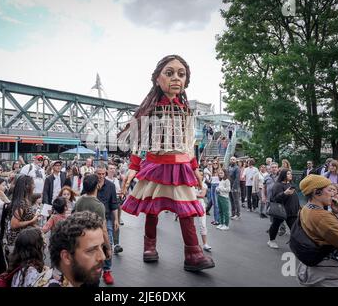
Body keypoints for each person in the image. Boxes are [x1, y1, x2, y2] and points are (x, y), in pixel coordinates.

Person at [120, 55, 214, 272]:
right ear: (157, 79)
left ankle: (193, 253)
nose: (176, 79)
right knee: (152, 209)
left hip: (180, 167)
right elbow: (138, 140)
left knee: (186, 211)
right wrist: (134, 167)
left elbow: (188, 145)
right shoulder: (151, 110)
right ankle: (150, 247)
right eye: (169, 73)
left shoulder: (186, 112)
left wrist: (195, 169)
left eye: (181, 74)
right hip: (156, 164)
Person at [296, 175, 338, 287]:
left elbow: (334, 232)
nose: (333, 194)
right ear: (316, 192)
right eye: (329, 190)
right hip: (326, 272)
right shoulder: (321, 216)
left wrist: (336, 213)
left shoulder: (306, 208)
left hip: (317, 265)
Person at [32, 211, 106, 287]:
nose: (103, 257)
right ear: (66, 257)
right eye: (91, 250)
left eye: (102, 246)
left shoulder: (82, 278)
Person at [267, 169, 300, 249]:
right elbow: (275, 198)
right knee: (275, 225)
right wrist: (284, 193)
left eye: (290, 173)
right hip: (281, 211)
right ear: (283, 175)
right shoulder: (278, 185)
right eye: (288, 174)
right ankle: (271, 240)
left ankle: (296, 245)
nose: (290, 175)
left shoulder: (291, 184)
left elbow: (294, 198)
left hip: (292, 211)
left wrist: (298, 207)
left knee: (294, 228)